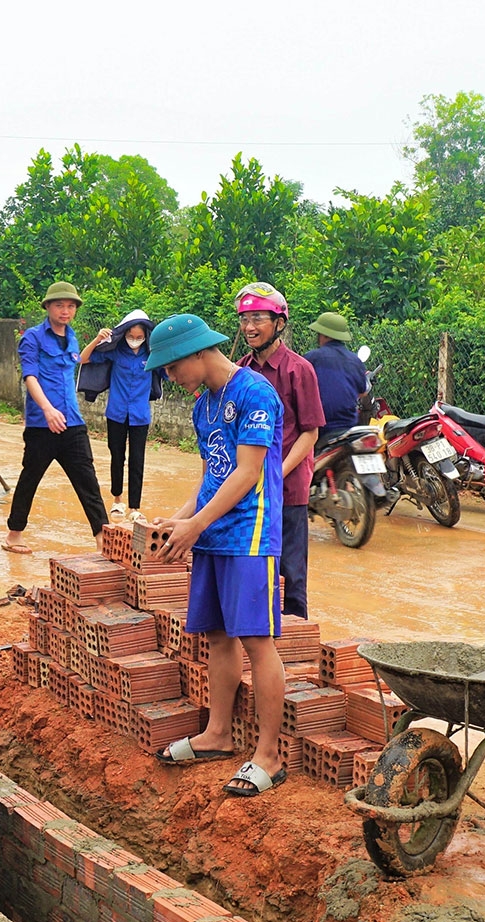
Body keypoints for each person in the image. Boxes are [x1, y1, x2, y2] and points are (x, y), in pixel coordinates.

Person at [146, 313, 287, 797]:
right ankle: (218, 733)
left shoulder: (255, 394)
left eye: (171, 367)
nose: (170, 378)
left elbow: (248, 472)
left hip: (249, 536)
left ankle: (269, 754)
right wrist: (179, 519)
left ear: (198, 353)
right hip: (211, 534)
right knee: (218, 636)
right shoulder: (202, 407)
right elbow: (212, 474)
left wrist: (196, 523)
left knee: (256, 640)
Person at [234, 282, 324, 621]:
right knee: (255, 568)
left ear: (279, 323)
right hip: (248, 488)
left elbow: (310, 432)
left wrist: (275, 472)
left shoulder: (298, 370)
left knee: (291, 572)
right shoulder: (241, 370)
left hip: (287, 488)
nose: (250, 327)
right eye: (245, 319)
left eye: (258, 318)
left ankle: (295, 642)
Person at [3, 281, 108, 555]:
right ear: (48, 307)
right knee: (30, 478)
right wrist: (48, 410)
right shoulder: (33, 338)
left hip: (72, 422)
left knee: (88, 481)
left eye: (71, 306)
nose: (66, 310)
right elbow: (30, 377)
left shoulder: (72, 337)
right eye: (60, 305)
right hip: (42, 425)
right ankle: (14, 535)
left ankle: (102, 539)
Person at [80, 309, 158, 523]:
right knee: (117, 456)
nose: (135, 340)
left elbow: (170, 371)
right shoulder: (116, 351)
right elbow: (82, 359)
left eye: (139, 337)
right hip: (116, 413)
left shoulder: (152, 355)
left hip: (140, 416)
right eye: (131, 336)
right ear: (124, 334)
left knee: (137, 460)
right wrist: (97, 339)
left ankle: (134, 507)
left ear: (146, 336)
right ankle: (117, 501)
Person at [302, 312, 366, 437]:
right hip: (349, 426)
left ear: (324, 335)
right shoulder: (354, 360)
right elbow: (362, 392)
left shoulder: (312, 358)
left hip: (320, 428)